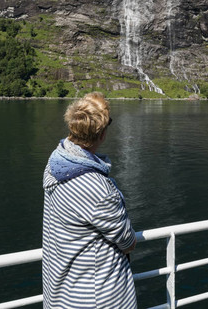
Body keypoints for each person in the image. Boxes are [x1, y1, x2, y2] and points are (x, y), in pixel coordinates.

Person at [42, 92, 137, 308]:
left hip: (61, 293)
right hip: (98, 297)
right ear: (102, 133)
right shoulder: (98, 188)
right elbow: (128, 242)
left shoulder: (55, 162)